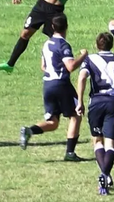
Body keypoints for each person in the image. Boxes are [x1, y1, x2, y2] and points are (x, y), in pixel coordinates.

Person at [20, 15, 88, 161]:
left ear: (52, 27)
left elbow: (43, 66)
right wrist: (83, 56)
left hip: (48, 85)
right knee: (76, 115)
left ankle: (29, 131)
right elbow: (70, 66)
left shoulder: (46, 44)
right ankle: (70, 153)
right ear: (66, 26)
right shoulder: (63, 45)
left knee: (53, 123)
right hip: (61, 84)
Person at [76, 32, 114, 195]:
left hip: (96, 102)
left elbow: (82, 78)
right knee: (111, 144)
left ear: (96, 45)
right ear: (112, 45)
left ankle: (104, 175)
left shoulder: (89, 59)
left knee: (97, 140)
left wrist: (80, 101)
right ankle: (105, 175)